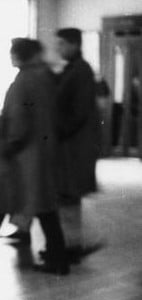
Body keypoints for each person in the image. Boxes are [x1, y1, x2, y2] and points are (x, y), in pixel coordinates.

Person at [0, 38, 69, 275]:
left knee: (17, 203)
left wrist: (9, 146)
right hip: (39, 153)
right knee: (33, 205)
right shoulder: (44, 77)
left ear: (19, 56)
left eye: (12, 53)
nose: (10, 56)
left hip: (21, 157)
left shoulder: (24, 81)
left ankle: (58, 261)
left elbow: (18, 119)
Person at [54, 28, 99, 262]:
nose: (58, 48)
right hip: (70, 143)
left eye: (61, 44)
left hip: (74, 145)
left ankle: (72, 246)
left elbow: (79, 111)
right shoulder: (73, 69)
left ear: (74, 44)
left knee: (69, 196)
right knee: (67, 197)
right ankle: (70, 244)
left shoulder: (80, 70)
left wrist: (59, 131)